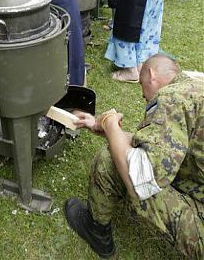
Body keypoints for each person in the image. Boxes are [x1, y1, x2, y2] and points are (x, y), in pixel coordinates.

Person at [64, 54, 204, 260]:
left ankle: (96, 231)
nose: (142, 96)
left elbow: (141, 178)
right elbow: (170, 149)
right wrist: (99, 125)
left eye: (141, 86)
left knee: (110, 159)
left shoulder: (173, 98)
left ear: (151, 75)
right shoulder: (195, 90)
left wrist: (111, 123)